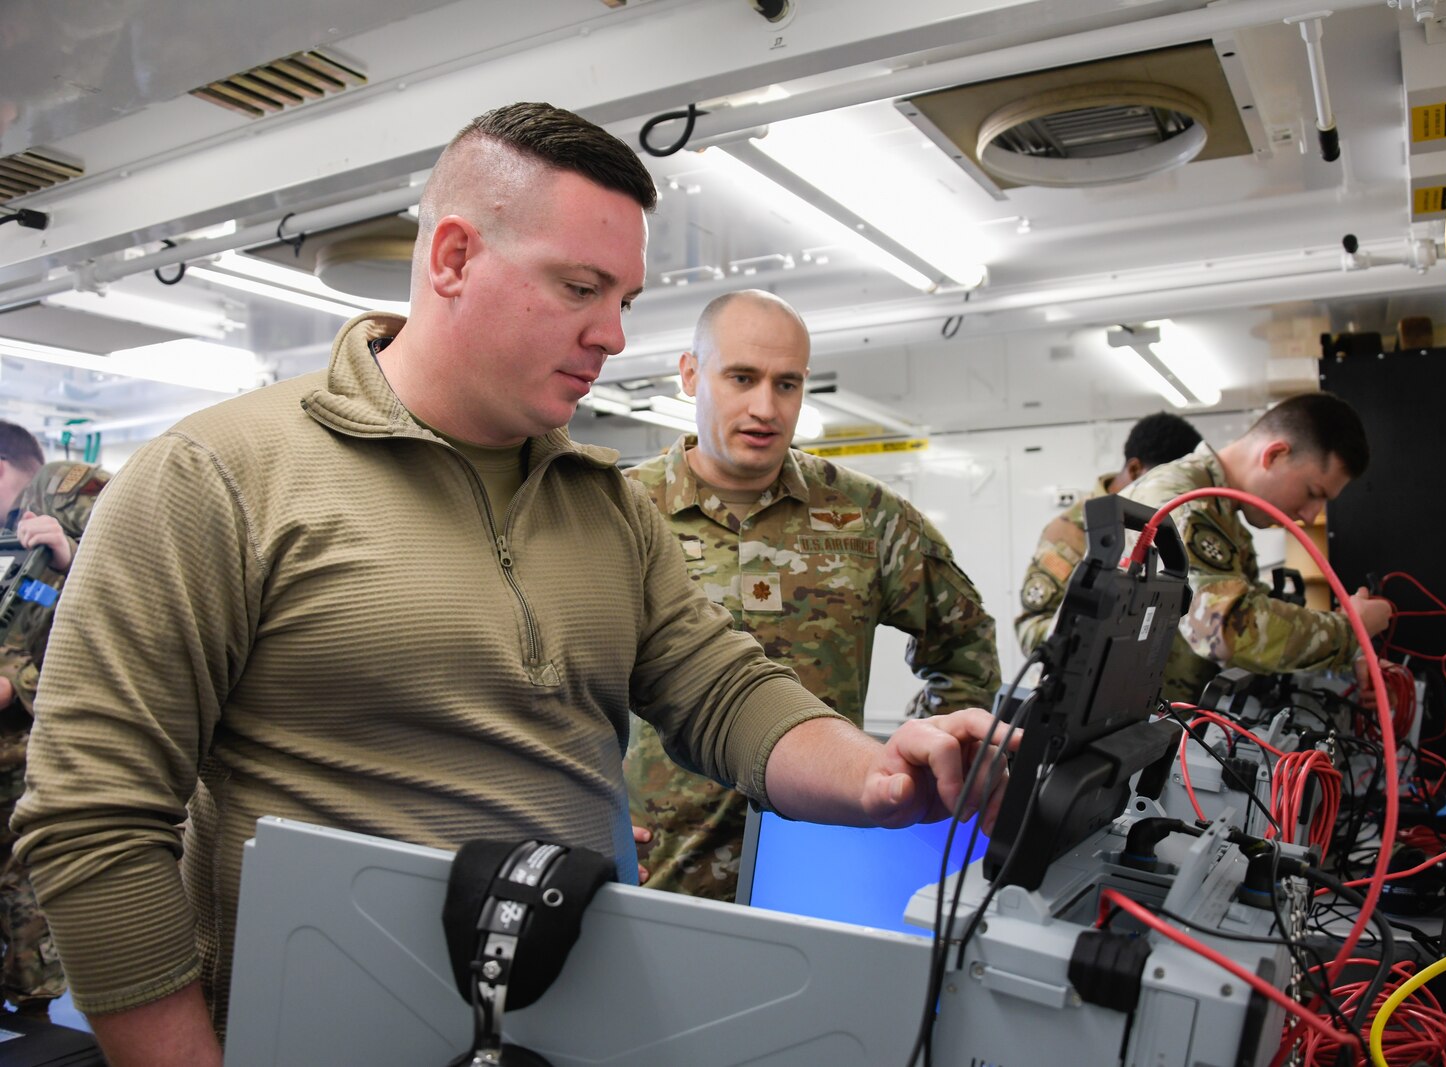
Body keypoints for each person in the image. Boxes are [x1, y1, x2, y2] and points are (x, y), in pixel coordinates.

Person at [11, 103, 1014, 1067]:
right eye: (580, 287)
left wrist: (873, 773)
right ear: (452, 258)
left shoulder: (606, 507)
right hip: (316, 1025)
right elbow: (95, 817)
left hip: (571, 1022)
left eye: (623, 298)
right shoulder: (220, 475)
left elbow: (724, 691)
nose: (613, 334)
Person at [625, 290, 1001, 901]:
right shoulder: (622, 511)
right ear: (690, 374)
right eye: (741, 378)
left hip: (821, 855)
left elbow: (964, 637)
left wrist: (924, 761)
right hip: (661, 867)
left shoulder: (868, 517)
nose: (765, 407)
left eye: (787, 384)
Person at [1119, 392, 1394, 703]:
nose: (1308, 514)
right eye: (1312, 492)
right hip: (1132, 735)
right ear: (1275, 454)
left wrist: (1348, 657)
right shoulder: (1181, 500)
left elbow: (1259, 611)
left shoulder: (1223, 514)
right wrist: (1349, 632)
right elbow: (1225, 631)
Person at [0, 427, 109, 1016]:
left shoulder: (59, 500)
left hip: (46, 749)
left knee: (25, 877)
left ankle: (36, 995)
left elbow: (127, 589)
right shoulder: (18, 546)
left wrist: (73, 557)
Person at [1015, 412, 1202, 654]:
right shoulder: (1074, 530)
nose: (1170, 494)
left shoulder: (1166, 523)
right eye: (1163, 482)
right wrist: (1097, 635)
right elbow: (1033, 627)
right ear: (1135, 469)